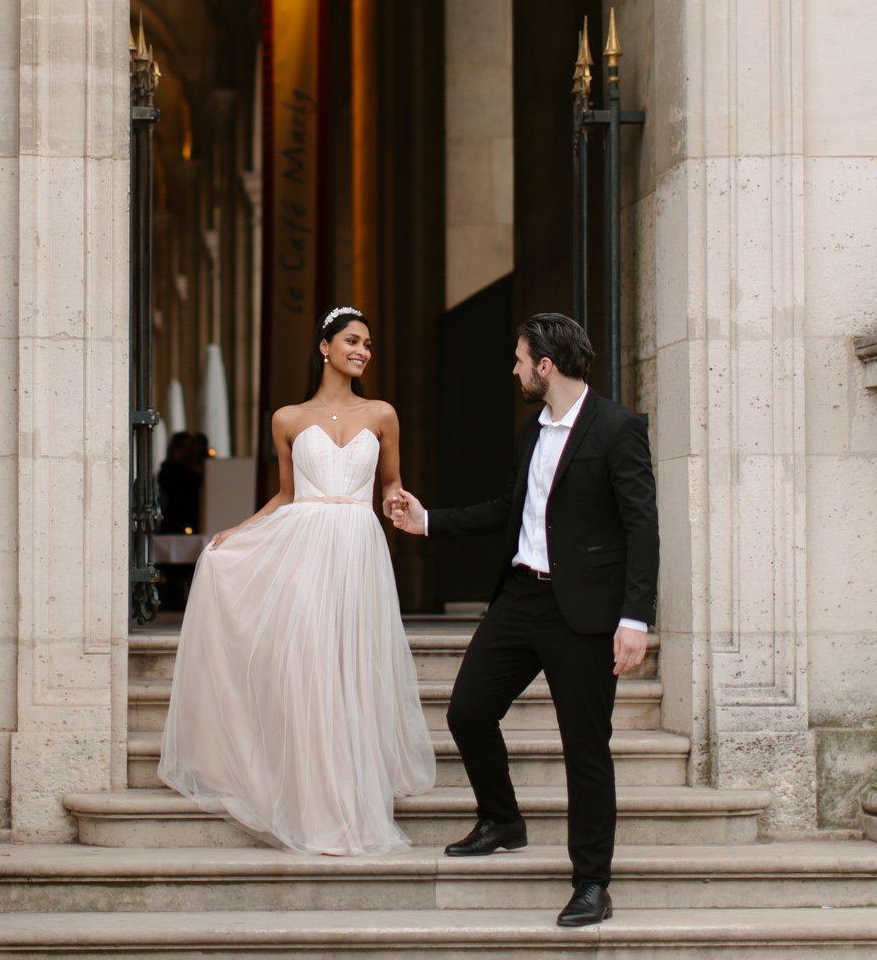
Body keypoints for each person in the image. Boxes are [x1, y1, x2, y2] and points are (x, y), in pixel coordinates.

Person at [385, 311, 658, 927]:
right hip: (520, 598)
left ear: (545, 364)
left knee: (586, 751)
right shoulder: (530, 432)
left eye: (518, 358)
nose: (512, 369)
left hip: (585, 613)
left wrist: (634, 616)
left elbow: (643, 525)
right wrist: (429, 522)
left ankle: (592, 883)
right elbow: (510, 507)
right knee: (468, 711)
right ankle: (502, 819)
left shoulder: (618, 429)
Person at [158, 305, 435, 855]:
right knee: (309, 665)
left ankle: (353, 801)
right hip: (303, 546)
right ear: (325, 346)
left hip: (358, 547)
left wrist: (397, 503)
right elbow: (287, 495)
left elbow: (392, 482)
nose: (362, 351)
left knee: (349, 666)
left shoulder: (383, 414)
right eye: (352, 340)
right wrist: (236, 532)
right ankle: (315, 806)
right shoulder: (286, 418)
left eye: (368, 345)